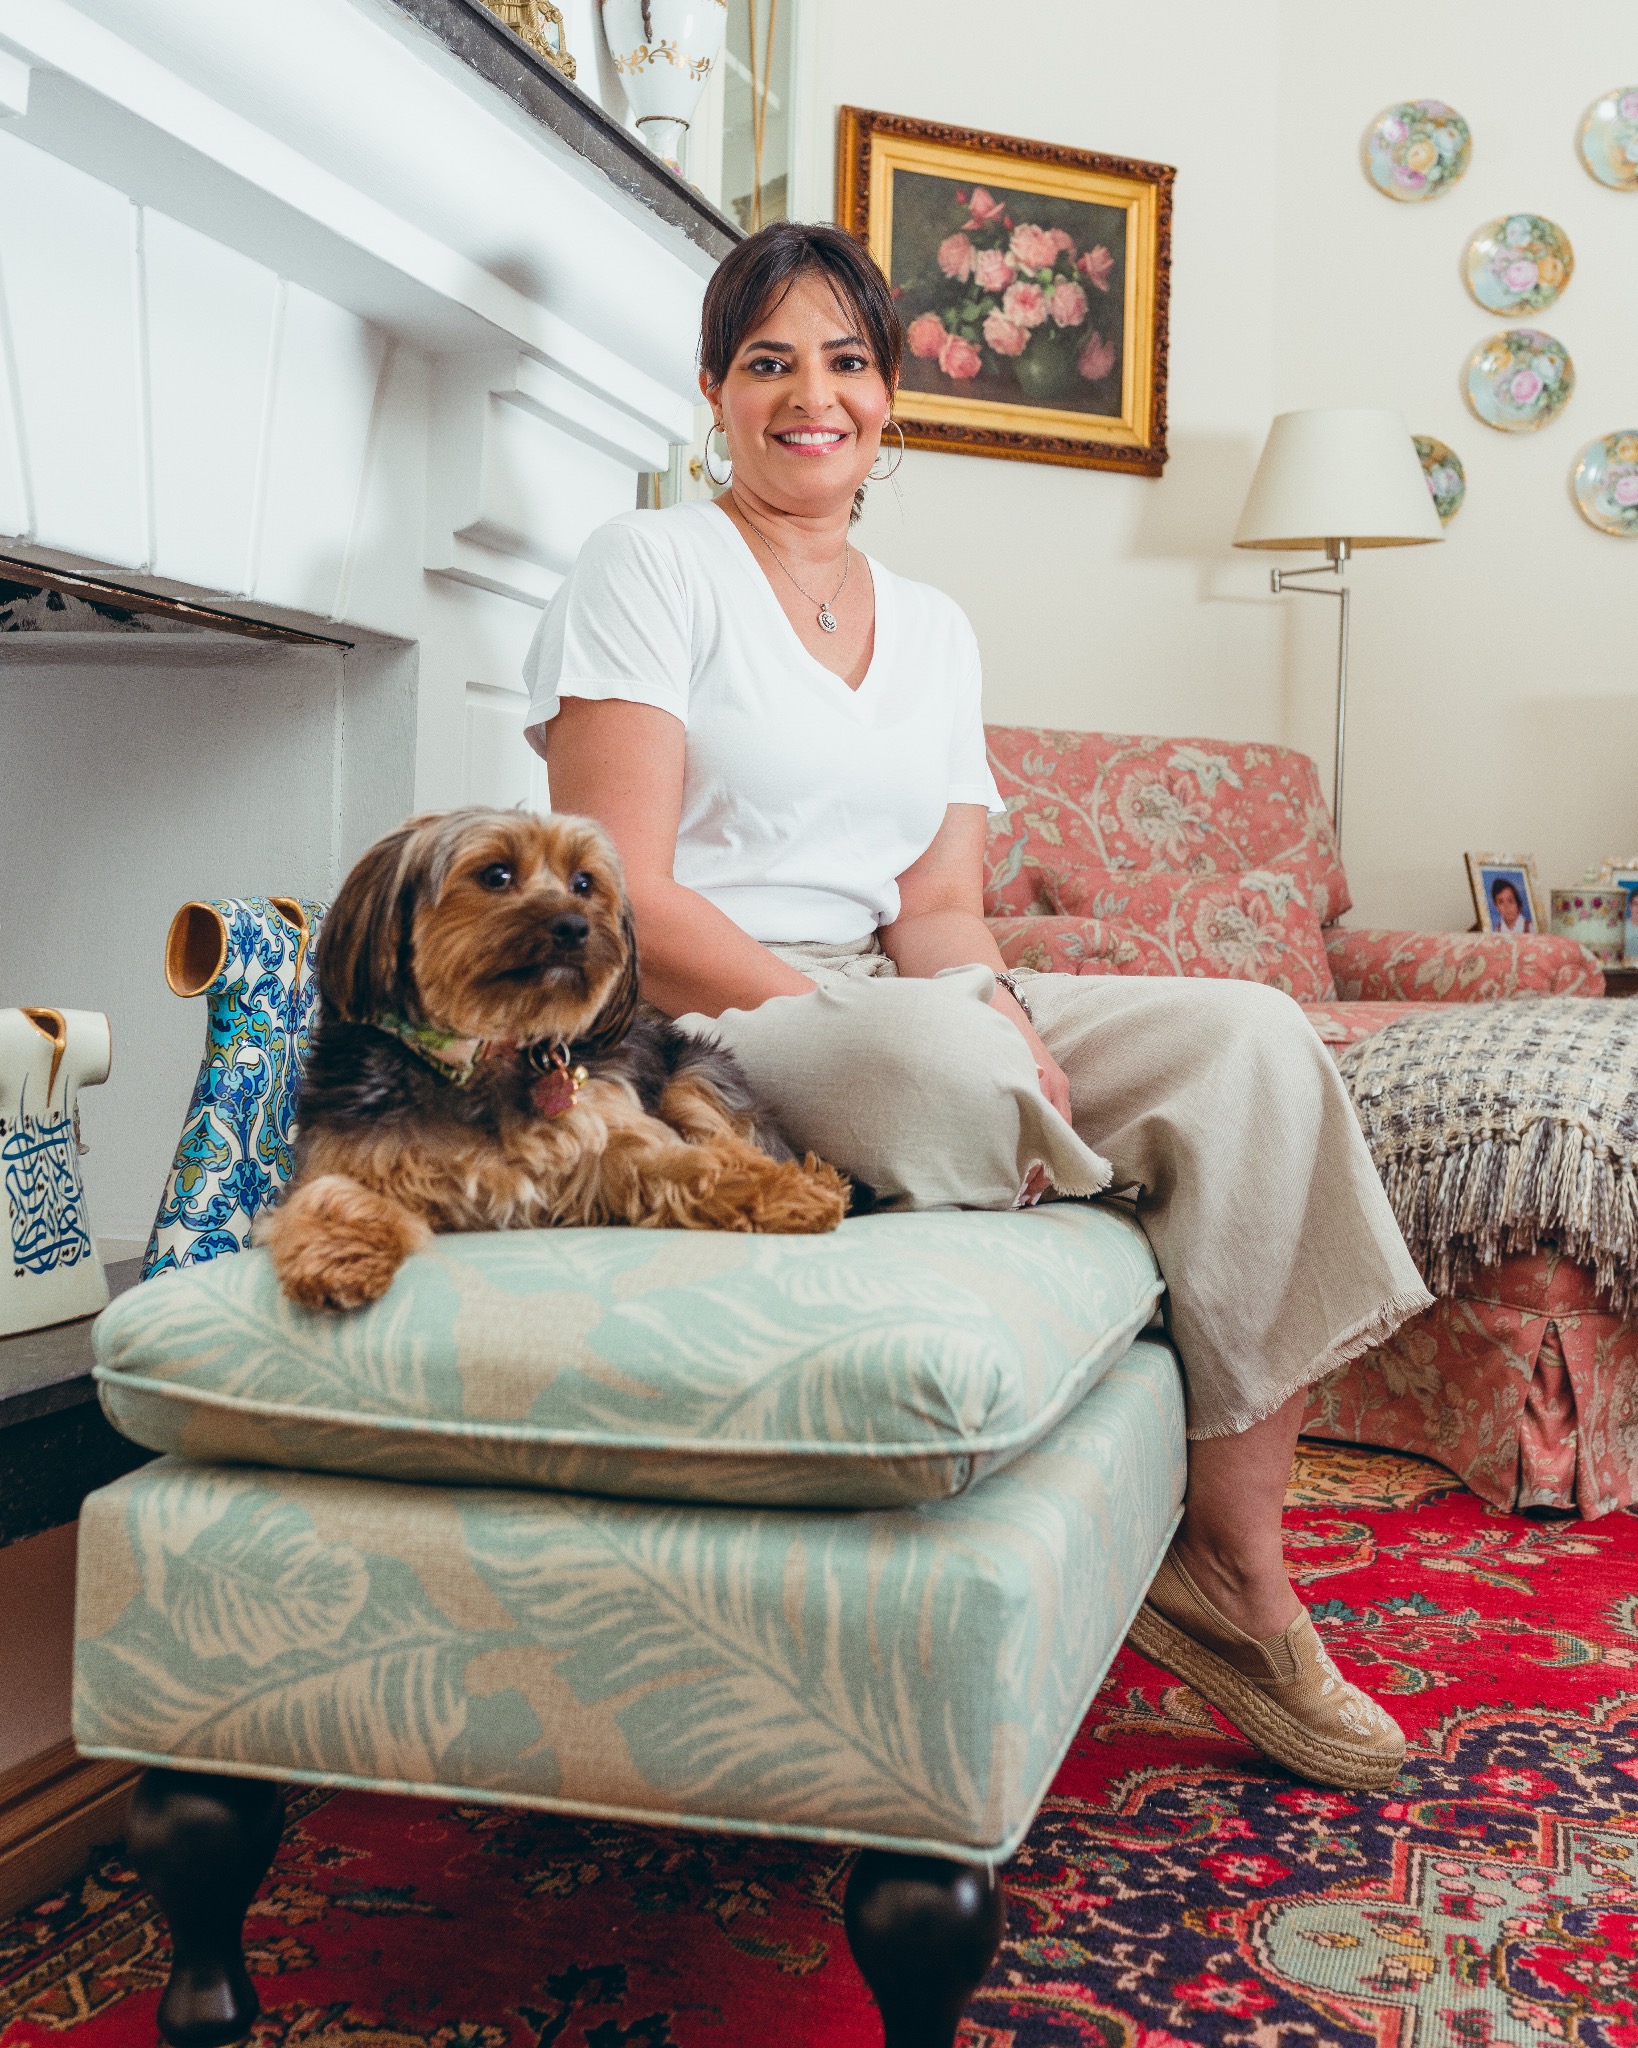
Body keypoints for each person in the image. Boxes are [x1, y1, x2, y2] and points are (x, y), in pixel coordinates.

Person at [524, 221, 1432, 1791]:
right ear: (711, 396)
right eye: (767, 362)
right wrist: (901, 1019)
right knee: (930, 1049)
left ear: (890, 402)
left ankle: (1231, 1574)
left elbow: (937, 906)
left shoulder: (931, 624)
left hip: (898, 993)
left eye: (846, 361)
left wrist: (997, 1008)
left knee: (1253, 1039)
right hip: (701, 1010)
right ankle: (1087, 1169)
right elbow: (617, 894)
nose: (811, 395)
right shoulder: (648, 560)